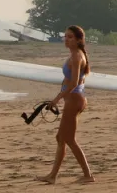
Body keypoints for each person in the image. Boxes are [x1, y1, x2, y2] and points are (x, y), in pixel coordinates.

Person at [38, 25, 95, 184]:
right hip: (71, 99)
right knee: (61, 138)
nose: (66, 39)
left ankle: (87, 175)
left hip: (75, 99)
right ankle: (52, 176)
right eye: (65, 36)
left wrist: (56, 99)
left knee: (69, 139)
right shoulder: (75, 55)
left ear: (78, 40)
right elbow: (69, 80)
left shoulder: (77, 56)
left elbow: (75, 82)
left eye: (70, 37)